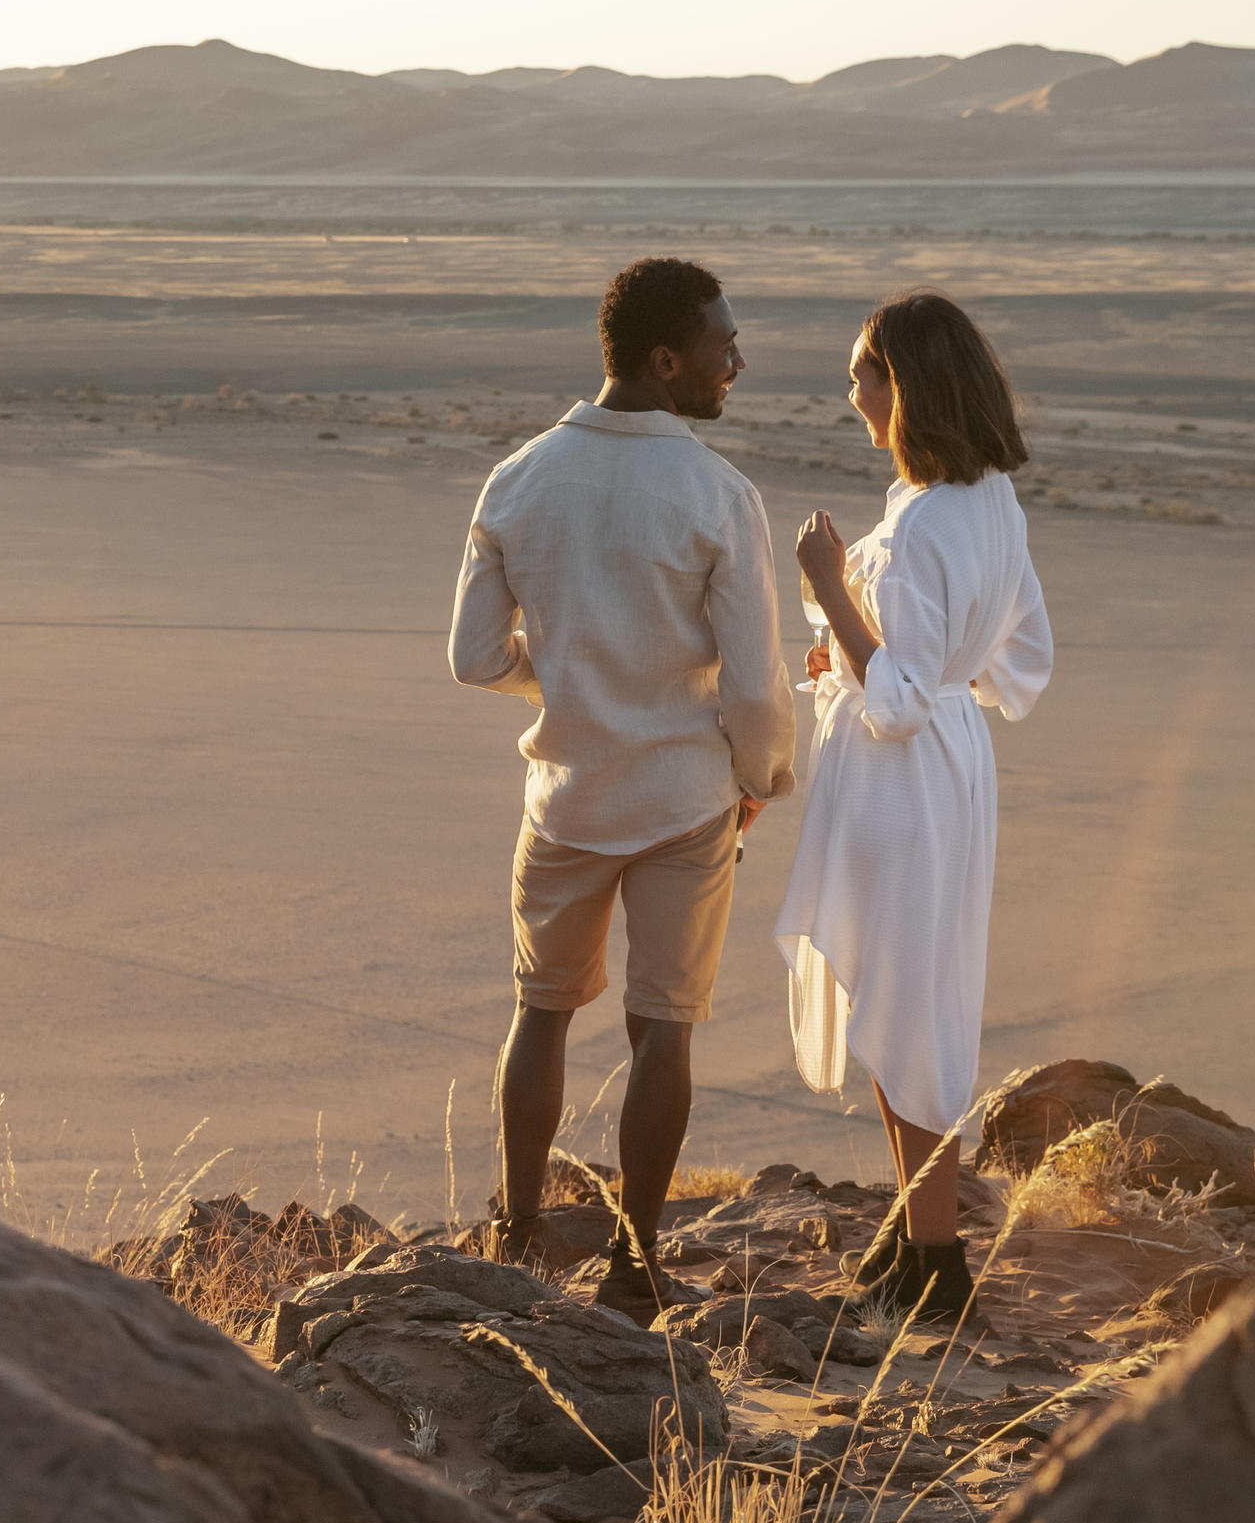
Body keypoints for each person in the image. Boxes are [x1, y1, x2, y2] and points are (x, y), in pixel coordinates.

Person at [450, 256, 794, 1323]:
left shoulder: (516, 478)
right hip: (684, 803)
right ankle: (636, 1261)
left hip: (564, 796)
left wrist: (562, 681)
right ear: (665, 358)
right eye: (722, 344)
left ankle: (516, 1227)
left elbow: (471, 656)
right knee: (664, 1029)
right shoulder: (720, 497)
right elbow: (755, 686)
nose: (737, 362)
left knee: (540, 1013)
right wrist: (759, 781)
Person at [778, 291, 1052, 1322]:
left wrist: (831, 592)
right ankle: (917, 1234)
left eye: (863, 373)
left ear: (910, 386)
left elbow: (895, 703)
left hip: (904, 781)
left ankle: (935, 1261)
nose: (850, 391)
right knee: (913, 992)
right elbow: (1017, 661)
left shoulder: (932, 518)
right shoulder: (986, 505)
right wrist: (888, 662)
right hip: (949, 765)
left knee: (908, 1001)